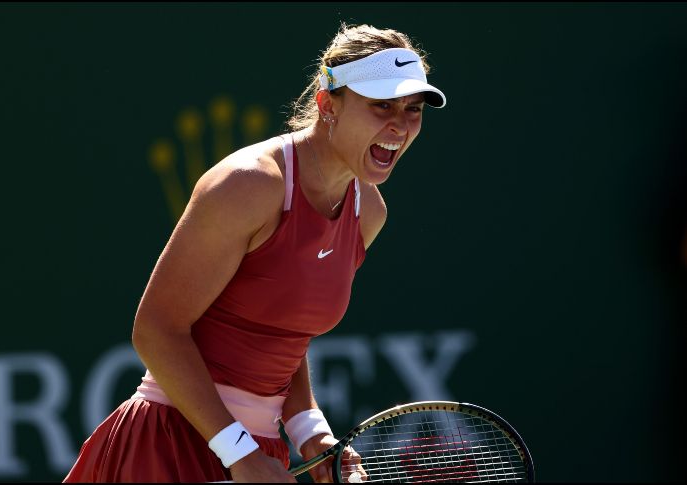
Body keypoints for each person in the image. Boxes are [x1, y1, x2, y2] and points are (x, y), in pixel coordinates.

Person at [64, 22, 446, 483]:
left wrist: (310, 433)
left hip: (253, 452)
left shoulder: (369, 213)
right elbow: (155, 331)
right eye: (381, 105)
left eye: (412, 109)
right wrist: (238, 453)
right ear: (328, 104)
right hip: (171, 442)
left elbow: (286, 331)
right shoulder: (250, 184)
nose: (399, 125)